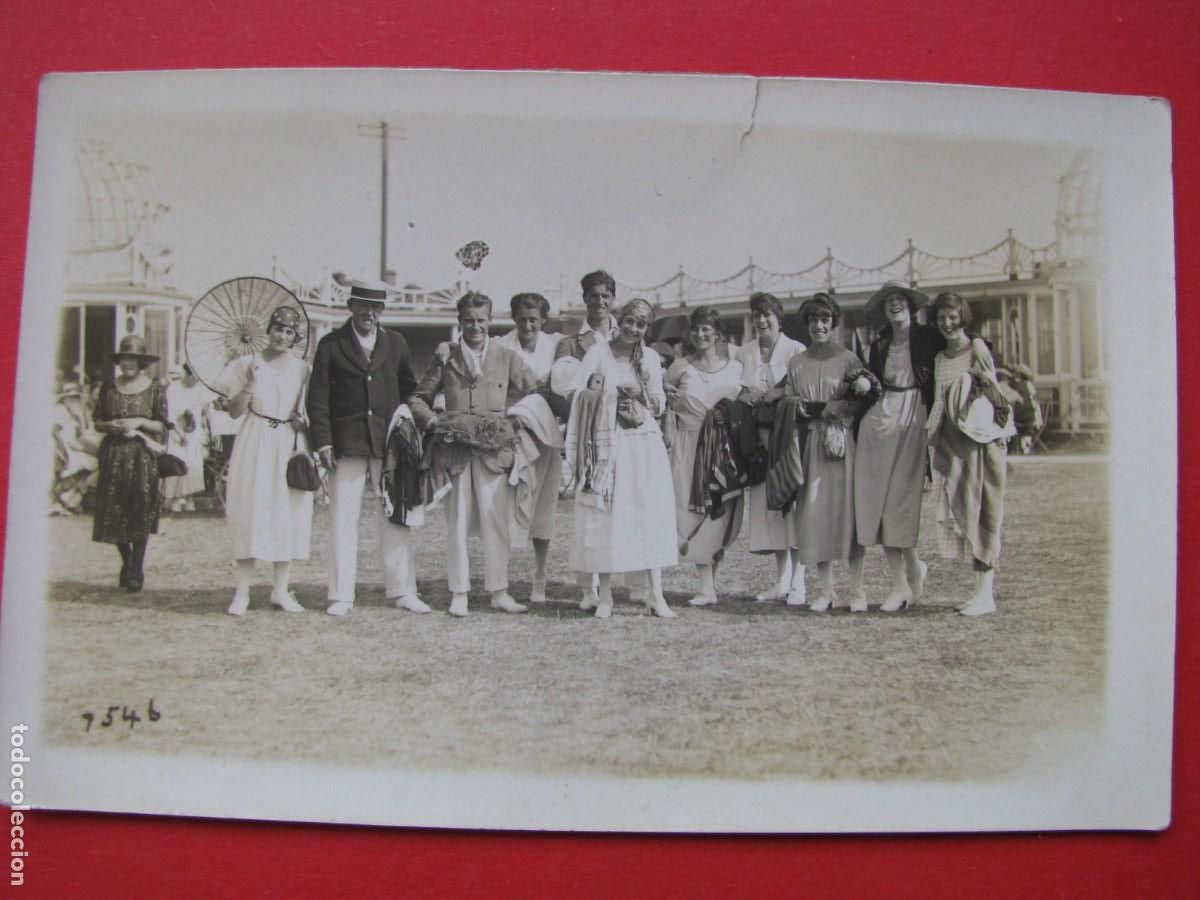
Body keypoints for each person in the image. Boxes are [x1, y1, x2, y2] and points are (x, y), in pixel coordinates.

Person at [410, 291, 539, 617]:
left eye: (481, 320)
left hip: (494, 453)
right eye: (469, 320)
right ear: (460, 322)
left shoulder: (506, 356)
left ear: (490, 321)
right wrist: (434, 421)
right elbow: (418, 399)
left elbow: (536, 391)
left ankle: (499, 591)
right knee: (457, 521)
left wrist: (515, 420)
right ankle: (459, 593)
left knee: (496, 521)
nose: (476, 327)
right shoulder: (446, 356)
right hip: (454, 452)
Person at [307, 278, 428, 617]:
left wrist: (409, 428)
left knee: (396, 517)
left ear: (382, 310)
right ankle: (341, 594)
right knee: (343, 519)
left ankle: (403, 590)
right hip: (346, 445)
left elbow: (409, 389)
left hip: (388, 444)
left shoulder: (397, 343)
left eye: (376, 308)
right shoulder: (331, 345)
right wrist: (324, 442)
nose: (369, 314)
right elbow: (317, 398)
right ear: (351, 307)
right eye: (363, 306)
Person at [566, 297, 677, 619]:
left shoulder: (651, 358)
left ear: (646, 329)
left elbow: (658, 405)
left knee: (648, 514)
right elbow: (578, 394)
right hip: (606, 443)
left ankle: (655, 594)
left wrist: (641, 394)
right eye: (629, 320)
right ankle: (606, 596)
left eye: (640, 324)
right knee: (606, 517)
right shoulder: (598, 353)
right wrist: (608, 401)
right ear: (620, 319)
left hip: (643, 443)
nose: (633, 328)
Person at [551, 268, 645, 609]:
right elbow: (560, 390)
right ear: (585, 299)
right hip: (592, 437)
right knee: (592, 511)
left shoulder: (632, 336)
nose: (600, 301)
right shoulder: (571, 343)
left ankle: (635, 581)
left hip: (629, 437)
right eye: (594, 296)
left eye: (606, 295)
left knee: (630, 506)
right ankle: (589, 587)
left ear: (613, 299)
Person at [853, 281, 947, 612]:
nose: (895, 305)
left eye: (900, 300)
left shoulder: (929, 337)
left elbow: (957, 350)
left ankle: (903, 582)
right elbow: (868, 383)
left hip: (913, 418)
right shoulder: (879, 344)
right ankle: (904, 580)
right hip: (880, 422)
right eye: (889, 301)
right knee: (878, 503)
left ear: (910, 306)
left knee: (900, 502)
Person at [218, 306, 314, 616]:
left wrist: (303, 422)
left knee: (286, 512)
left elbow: (306, 412)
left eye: (288, 332)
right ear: (267, 331)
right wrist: (249, 384)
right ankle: (242, 593)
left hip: (286, 441)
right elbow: (234, 411)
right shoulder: (247, 364)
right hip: (254, 439)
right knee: (251, 509)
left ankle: (280, 590)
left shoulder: (303, 370)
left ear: (294, 337)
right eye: (277, 329)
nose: (282, 336)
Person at [927, 292, 1013, 617]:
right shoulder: (938, 358)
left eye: (952, 317)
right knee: (963, 513)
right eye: (941, 318)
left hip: (980, 442)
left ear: (963, 317)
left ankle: (985, 595)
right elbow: (938, 401)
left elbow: (994, 396)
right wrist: (930, 440)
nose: (947, 323)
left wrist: (999, 438)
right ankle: (978, 592)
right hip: (952, 446)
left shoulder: (977, 349)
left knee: (984, 513)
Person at [783, 294, 865, 611]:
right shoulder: (797, 363)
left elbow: (863, 401)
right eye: (814, 320)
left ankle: (857, 590)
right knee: (815, 514)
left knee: (848, 514)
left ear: (833, 323)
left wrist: (842, 406)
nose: (819, 325)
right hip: (810, 443)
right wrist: (802, 407)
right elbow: (788, 401)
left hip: (842, 442)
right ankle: (826, 590)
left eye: (825, 320)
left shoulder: (849, 360)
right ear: (807, 324)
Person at [664, 307, 744, 606]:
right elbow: (664, 402)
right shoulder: (679, 367)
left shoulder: (735, 367)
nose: (700, 334)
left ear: (718, 334)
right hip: (688, 446)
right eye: (696, 328)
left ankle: (711, 584)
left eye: (706, 329)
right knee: (692, 511)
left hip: (724, 449)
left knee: (720, 510)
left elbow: (746, 403)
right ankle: (705, 586)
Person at [735, 291, 807, 604]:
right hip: (759, 440)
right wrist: (745, 396)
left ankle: (800, 583)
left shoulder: (796, 349)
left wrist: (778, 393)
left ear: (779, 317)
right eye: (757, 315)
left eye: (768, 315)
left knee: (793, 504)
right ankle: (781, 580)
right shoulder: (744, 353)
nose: (762, 321)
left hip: (789, 438)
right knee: (771, 508)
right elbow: (737, 389)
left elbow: (802, 389)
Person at [495, 292, 563, 603]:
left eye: (533, 319)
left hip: (547, 437)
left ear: (543, 320)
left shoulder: (556, 346)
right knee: (508, 506)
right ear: (514, 319)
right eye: (521, 319)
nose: (527, 325)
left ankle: (540, 575)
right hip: (514, 436)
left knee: (544, 508)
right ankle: (502, 577)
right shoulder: (500, 345)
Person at [91, 335, 169, 592]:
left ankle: (137, 568)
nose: (129, 364)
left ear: (142, 362)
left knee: (140, 508)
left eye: (134, 359)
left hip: (142, 456)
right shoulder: (108, 387)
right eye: (125, 358)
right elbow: (97, 420)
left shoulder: (155, 389)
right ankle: (128, 561)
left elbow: (162, 425)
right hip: (113, 455)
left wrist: (139, 422)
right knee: (114, 510)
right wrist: (109, 425)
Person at [163, 364, 212, 512]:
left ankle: (190, 498)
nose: (195, 381)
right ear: (186, 374)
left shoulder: (200, 389)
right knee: (178, 463)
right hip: (176, 431)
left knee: (194, 464)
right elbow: (170, 416)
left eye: (198, 378)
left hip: (194, 431)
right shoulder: (173, 389)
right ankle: (176, 499)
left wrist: (206, 431)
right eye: (193, 377)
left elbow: (202, 414)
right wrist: (180, 434)